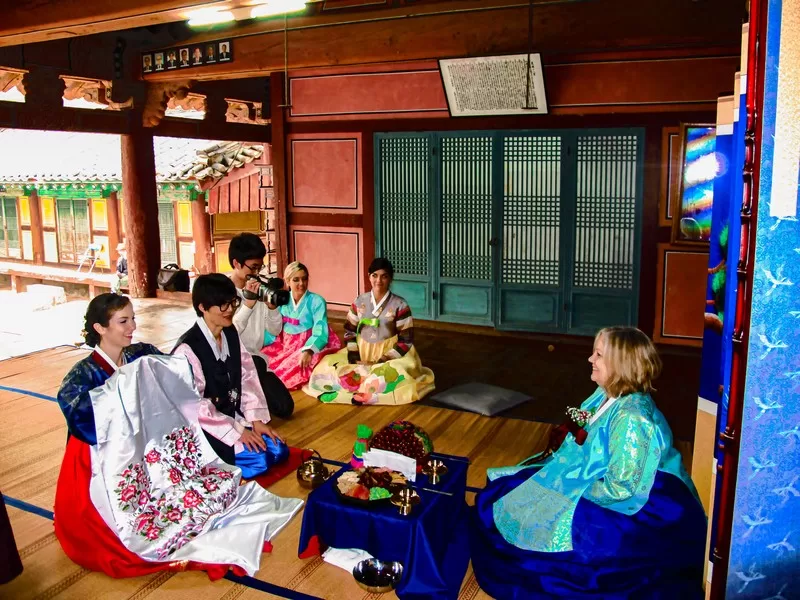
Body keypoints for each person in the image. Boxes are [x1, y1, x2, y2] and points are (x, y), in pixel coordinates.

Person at [54, 293, 302, 579]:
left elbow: (176, 377)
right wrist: (120, 389)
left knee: (204, 488)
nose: (132, 326)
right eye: (123, 321)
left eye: (133, 318)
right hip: (106, 459)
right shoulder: (83, 374)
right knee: (135, 522)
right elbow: (78, 415)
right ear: (100, 328)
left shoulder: (140, 353)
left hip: (149, 443)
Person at [469, 327, 707, 599]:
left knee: (568, 533)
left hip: (643, 500)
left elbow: (623, 489)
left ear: (621, 364)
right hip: (602, 478)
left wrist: (567, 489)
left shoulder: (634, 417)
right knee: (509, 492)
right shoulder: (606, 394)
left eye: (598, 354)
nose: (590, 359)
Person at [172, 274, 289, 479]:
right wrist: (237, 432)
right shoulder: (187, 349)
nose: (230, 310)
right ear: (202, 307)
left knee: (279, 450)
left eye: (232, 303)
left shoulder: (229, 332)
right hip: (208, 428)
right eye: (222, 306)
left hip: (233, 416)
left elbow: (247, 376)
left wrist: (256, 420)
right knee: (260, 460)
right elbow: (194, 405)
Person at [304, 258, 435, 405]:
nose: (379, 280)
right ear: (369, 276)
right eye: (374, 275)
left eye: (384, 276)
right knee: (326, 368)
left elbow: (406, 340)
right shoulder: (360, 301)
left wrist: (379, 362)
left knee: (392, 376)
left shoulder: (400, 304)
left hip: (391, 354)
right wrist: (354, 359)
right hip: (362, 351)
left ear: (390, 278)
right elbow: (349, 331)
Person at [228, 233, 294, 417]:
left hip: (256, 360)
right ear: (236, 263)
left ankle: (250, 398)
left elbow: (274, 330)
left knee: (285, 408)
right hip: (232, 362)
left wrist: (272, 309)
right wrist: (248, 304)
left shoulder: (259, 288)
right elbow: (229, 333)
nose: (257, 273)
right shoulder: (223, 291)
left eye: (260, 266)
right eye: (253, 267)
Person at [260, 261, 342, 390]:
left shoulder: (316, 301)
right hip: (284, 342)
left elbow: (320, 328)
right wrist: (261, 341)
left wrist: (309, 350)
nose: (301, 284)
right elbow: (274, 326)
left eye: (304, 279)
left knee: (292, 367)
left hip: (308, 341)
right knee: (263, 360)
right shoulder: (282, 299)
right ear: (287, 281)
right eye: (296, 280)